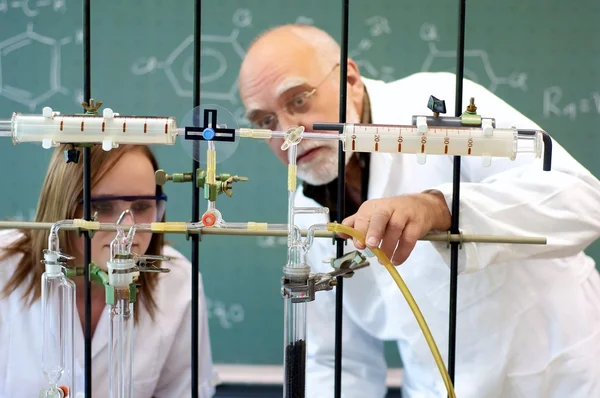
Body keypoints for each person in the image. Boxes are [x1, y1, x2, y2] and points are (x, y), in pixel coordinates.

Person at [238, 24, 600, 398]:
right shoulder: (309, 213)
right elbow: (338, 361)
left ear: (350, 79)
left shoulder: (440, 105)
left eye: (299, 100)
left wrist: (438, 206)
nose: (287, 133)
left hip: (561, 376)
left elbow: (583, 202)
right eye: (266, 121)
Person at [0, 144, 216, 397]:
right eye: (102, 207)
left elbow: (183, 392)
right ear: (64, 206)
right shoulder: (4, 266)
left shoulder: (177, 281)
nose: (127, 227)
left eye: (142, 206)